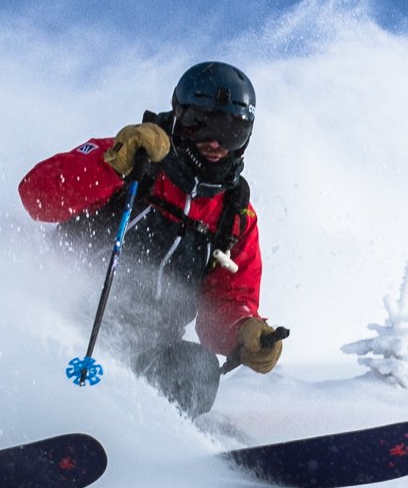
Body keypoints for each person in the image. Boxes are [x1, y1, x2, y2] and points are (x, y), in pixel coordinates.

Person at [18, 61, 286, 417]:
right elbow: (36, 197)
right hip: (66, 318)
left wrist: (243, 331)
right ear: (180, 116)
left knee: (198, 370)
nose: (215, 143)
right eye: (203, 124)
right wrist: (112, 165)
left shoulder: (235, 215)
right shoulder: (133, 155)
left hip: (148, 349)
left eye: (231, 132)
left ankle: (153, 453)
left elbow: (228, 300)